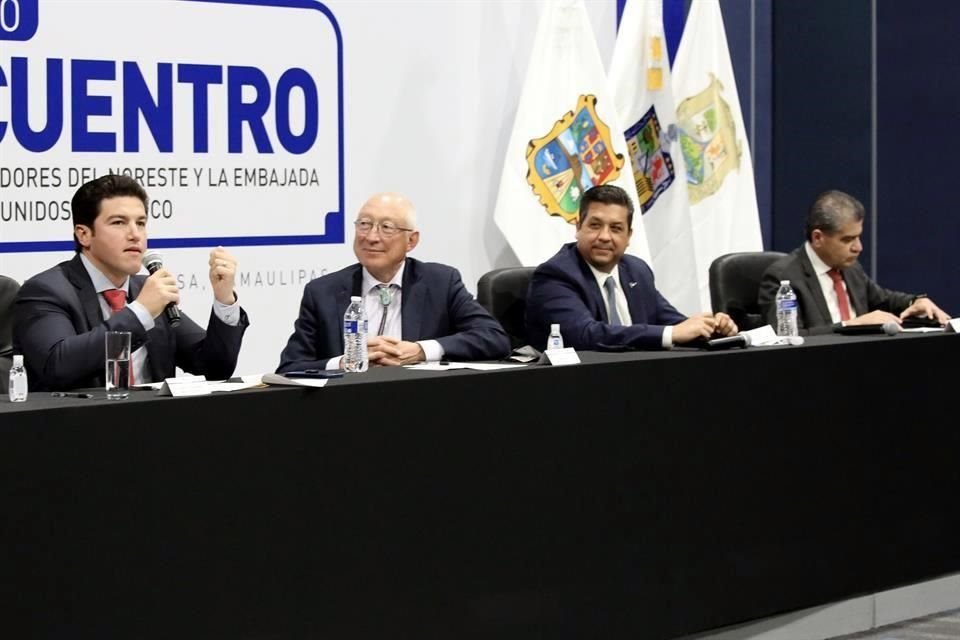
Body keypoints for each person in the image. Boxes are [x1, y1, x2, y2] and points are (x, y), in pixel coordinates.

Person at [13, 175, 249, 391]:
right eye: (118, 222)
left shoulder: (146, 290)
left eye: (141, 223)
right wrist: (141, 312)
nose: (135, 234)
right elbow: (57, 365)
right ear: (84, 234)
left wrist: (224, 300)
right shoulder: (46, 291)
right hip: (78, 429)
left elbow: (214, 368)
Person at [277, 192, 510, 371]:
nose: (371, 237)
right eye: (364, 224)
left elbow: (493, 338)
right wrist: (343, 363)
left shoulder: (440, 282)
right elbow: (290, 367)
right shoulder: (322, 292)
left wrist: (421, 351)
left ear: (411, 241)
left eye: (386, 228)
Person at [525, 184, 737, 351]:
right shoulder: (556, 275)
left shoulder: (636, 270)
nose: (604, 237)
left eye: (616, 228)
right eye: (595, 225)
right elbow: (585, 335)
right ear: (578, 228)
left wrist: (713, 329)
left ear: (628, 237)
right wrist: (672, 333)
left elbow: (674, 323)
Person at [758, 190, 949, 335]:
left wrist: (916, 301)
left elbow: (884, 299)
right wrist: (851, 325)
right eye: (847, 239)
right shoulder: (783, 278)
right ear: (818, 238)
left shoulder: (850, 268)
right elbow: (787, 338)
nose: (858, 247)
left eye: (858, 237)